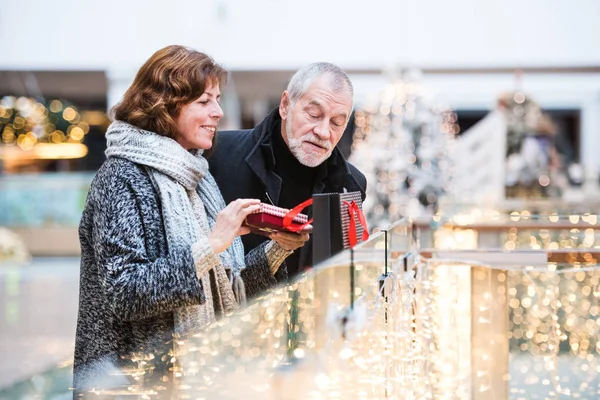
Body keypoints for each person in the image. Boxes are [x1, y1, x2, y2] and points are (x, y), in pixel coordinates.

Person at [73, 45, 298, 393]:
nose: (219, 112)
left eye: (218, 99)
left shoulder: (196, 178)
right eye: (205, 101)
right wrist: (211, 244)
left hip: (192, 378)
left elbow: (225, 286)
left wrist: (276, 249)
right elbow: (126, 292)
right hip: (130, 384)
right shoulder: (121, 177)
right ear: (166, 104)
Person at [209, 62, 367, 281]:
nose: (323, 132)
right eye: (313, 114)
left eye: (336, 123)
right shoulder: (218, 154)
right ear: (285, 105)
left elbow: (341, 277)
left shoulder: (351, 184)